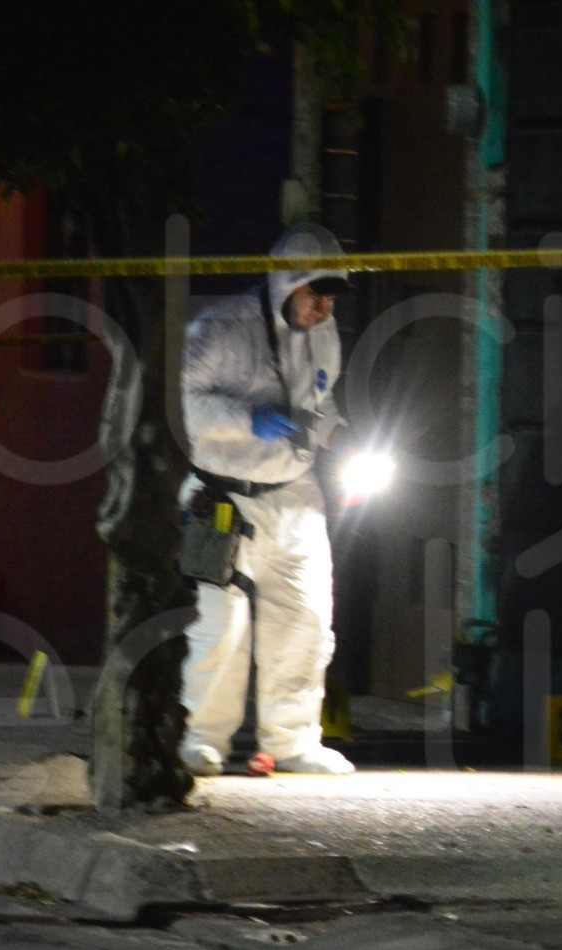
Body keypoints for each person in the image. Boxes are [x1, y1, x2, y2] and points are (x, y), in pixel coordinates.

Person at [176, 222, 356, 776]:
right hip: (221, 495)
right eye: (314, 292)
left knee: (304, 618)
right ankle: (202, 736)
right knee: (218, 625)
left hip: (295, 494)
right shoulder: (219, 329)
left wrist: (338, 435)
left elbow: (318, 407)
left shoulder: (325, 337)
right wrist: (248, 420)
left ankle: (293, 739)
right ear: (286, 284)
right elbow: (185, 405)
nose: (323, 306)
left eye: (331, 295)